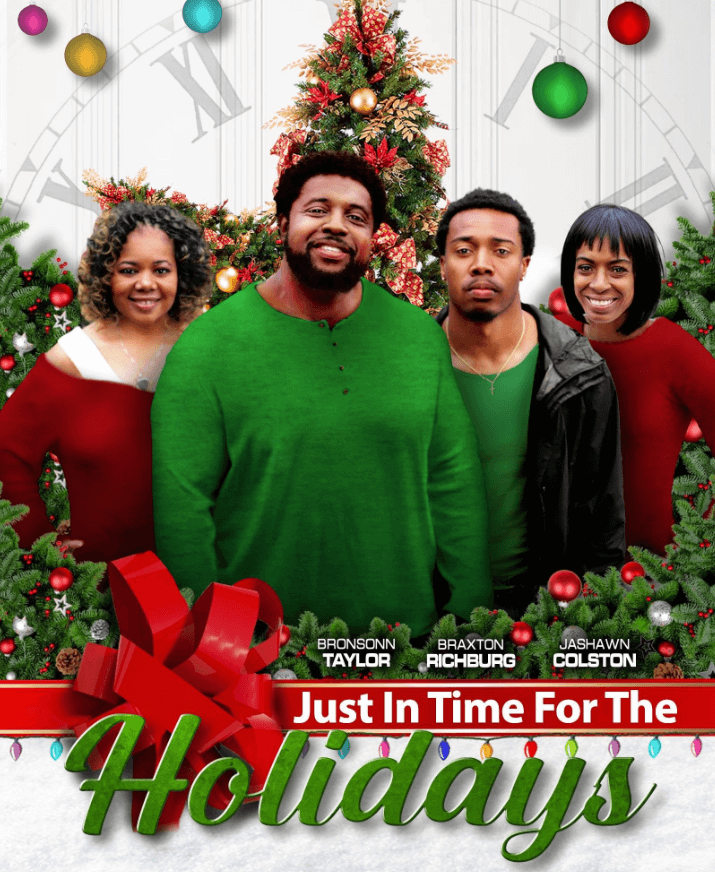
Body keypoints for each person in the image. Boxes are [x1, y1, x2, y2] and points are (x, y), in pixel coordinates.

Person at [151, 151, 492, 634]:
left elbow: (453, 479)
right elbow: (182, 510)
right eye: (317, 210)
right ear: (282, 221)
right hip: (262, 654)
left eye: (356, 217)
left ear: (372, 240)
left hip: (402, 643)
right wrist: (215, 642)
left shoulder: (418, 336)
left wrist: (471, 612)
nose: (336, 225)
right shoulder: (207, 348)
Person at [436, 188, 625, 613]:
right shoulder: (408, 369)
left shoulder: (580, 374)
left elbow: (603, 516)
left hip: (541, 609)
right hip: (431, 611)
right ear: (444, 265)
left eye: (500, 250)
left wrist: (595, 619)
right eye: (464, 249)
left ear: (523, 266)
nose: (481, 263)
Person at [0, 201, 212, 563]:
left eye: (161, 269)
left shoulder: (209, 349)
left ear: (183, 275)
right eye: (129, 269)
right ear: (106, 275)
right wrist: (39, 541)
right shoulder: (73, 359)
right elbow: (8, 454)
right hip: (99, 593)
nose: (146, 283)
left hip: (206, 589)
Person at [560, 203, 715, 556]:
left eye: (617, 269)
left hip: (648, 575)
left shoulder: (673, 348)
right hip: (556, 576)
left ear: (641, 275)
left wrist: (701, 538)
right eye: (585, 267)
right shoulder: (553, 340)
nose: (599, 284)